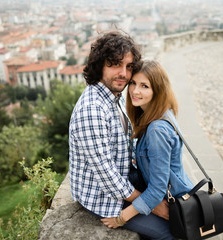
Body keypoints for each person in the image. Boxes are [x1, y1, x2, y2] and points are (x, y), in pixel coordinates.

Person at [69, 32, 170, 239]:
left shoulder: (112, 97)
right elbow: (107, 175)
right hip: (104, 196)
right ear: (100, 65)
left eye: (129, 66)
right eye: (115, 64)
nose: (124, 73)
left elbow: (124, 144)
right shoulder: (92, 110)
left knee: (178, 207)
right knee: (170, 232)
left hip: (125, 177)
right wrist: (150, 204)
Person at [101, 60, 194, 239]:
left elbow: (158, 189)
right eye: (133, 83)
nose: (135, 91)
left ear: (157, 90)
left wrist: (120, 219)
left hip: (174, 203)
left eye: (145, 86)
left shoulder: (157, 129)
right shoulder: (160, 113)